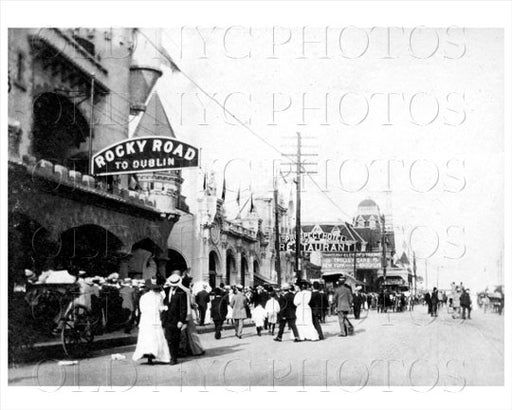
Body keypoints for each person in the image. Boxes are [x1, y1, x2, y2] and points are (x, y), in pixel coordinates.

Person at [132, 279, 170, 364]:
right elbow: (161, 308)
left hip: (146, 320)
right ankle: (157, 355)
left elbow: (142, 309)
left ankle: (148, 355)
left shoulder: (144, 297)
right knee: (157, 337)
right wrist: (166, 308)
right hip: (155, 319)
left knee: (147, 337)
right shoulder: (159, 296)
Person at [162, 273, 188, 365]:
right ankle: (170, 355)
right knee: (168, 338)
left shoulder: (181, 293)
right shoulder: (166, 290)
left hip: (176, 320)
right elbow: (164, 302)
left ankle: (174, 358)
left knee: (175, 339)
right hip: (168, 318)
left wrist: (181, 320)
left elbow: (183, 308)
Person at [180, 276, 205, 356]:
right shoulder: (188, 292)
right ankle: (195, 349)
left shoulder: (180, 291)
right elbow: (192, 304)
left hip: (181, 313)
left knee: (183, 332)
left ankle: (183, 349)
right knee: (191, 332)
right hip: (189, 313)